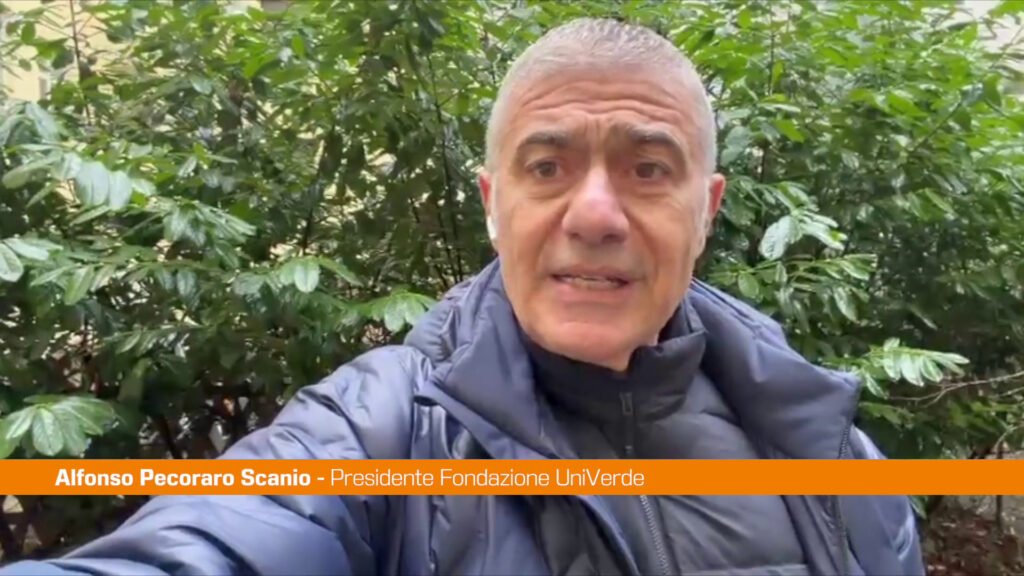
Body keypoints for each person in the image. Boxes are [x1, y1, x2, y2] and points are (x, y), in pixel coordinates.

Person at [1, 17, 924, 576]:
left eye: (648, 169)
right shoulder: (379, 434)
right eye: (547, 166)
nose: (594, 214)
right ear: (492, 204)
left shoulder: (838, 459)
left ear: (707, 209)